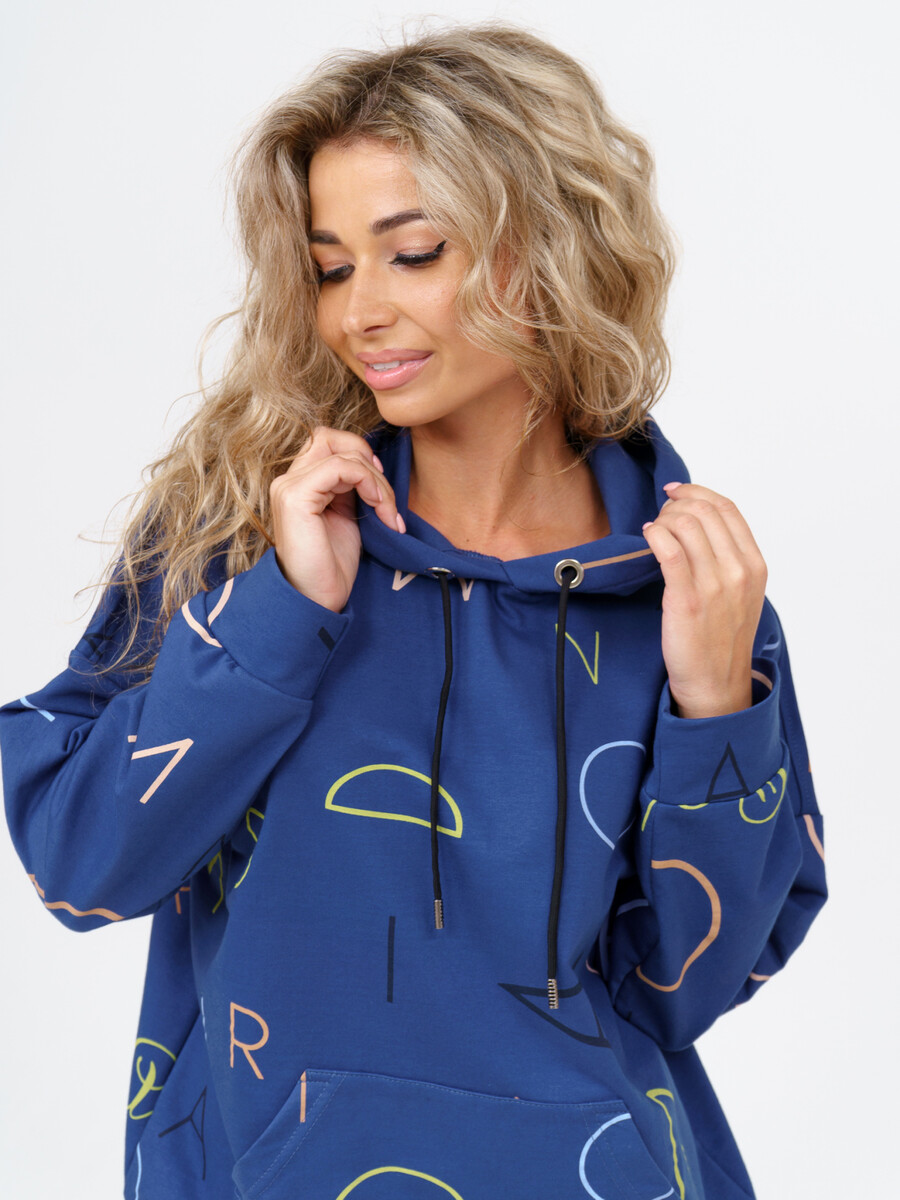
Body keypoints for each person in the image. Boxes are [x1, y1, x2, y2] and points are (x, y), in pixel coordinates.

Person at [0, 21, 827, 1200]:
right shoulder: (245, 529)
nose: (359, 314)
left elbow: (683, 988)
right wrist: (281, 614)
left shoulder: (688, 584)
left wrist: (715, 711)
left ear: (554, 246)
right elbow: (80, 862)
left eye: (415, 253)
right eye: (333, 268)